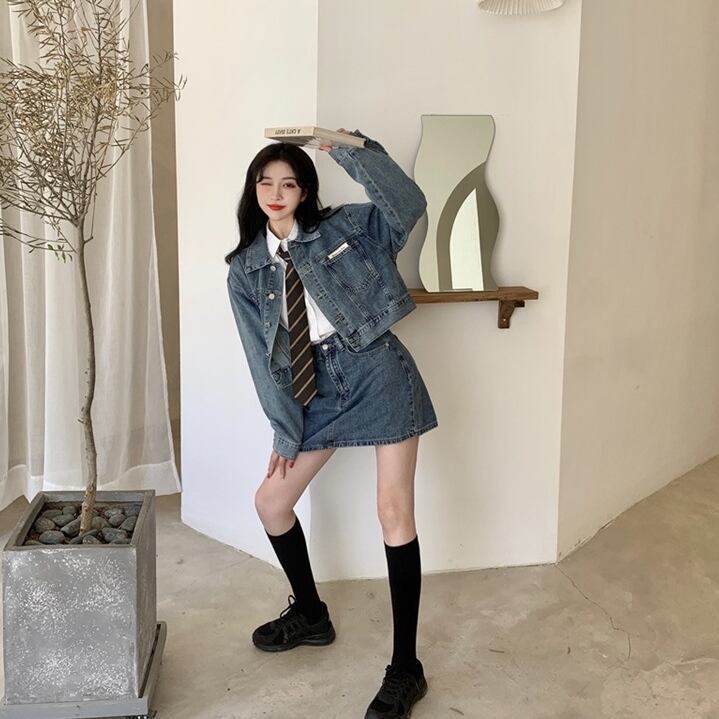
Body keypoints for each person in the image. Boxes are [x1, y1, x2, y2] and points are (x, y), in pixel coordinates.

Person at [225, 127, 438, 719]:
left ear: (305, 191)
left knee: (393, 512)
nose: (276, 193)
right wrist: (284, 427)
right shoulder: (245, 269)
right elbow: (261, 359)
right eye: (265, 182)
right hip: (311, 386)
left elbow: (408, 205)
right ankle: (311, 614)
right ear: (253, 190)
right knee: (272, 502)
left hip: (376, 368)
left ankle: (406, 667)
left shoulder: (347, 227)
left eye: (289, 184)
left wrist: (346, 145)